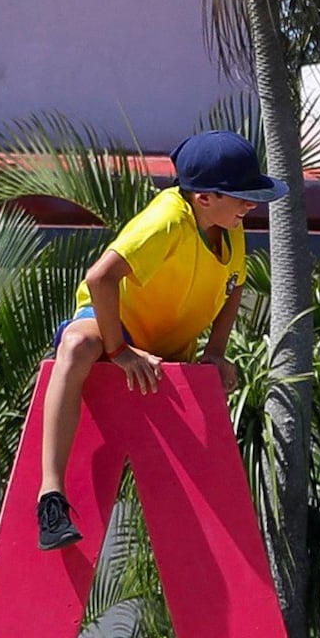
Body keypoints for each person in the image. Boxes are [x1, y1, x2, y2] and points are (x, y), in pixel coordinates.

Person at [26, 131, 275, 556]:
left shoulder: (230, 229)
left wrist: (215, 352)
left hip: (168, 352)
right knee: (75, 346)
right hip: (113, 330)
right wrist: (120, 350)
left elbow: (233, 287)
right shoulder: (166, 220)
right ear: (204, 197)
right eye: (242, 195)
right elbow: (99, 277)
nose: (252, 204)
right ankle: (50, 497)